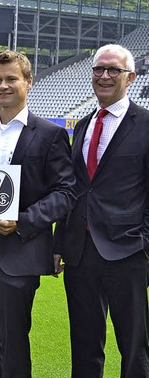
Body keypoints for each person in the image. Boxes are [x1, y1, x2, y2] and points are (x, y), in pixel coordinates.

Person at [0, 50, 75, 377]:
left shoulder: (50, 135)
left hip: (18, 252)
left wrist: (22, 221)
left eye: (11, 79)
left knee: (11, 345)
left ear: (28, 82)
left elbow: (66, 193)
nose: (3, 86)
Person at [54, 44, 149, 377]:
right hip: (80, 251)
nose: (104, 76)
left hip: (127, 250)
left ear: (131, 77)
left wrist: (144, 243)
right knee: (84, 342)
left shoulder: (146, 124)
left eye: (114, 70)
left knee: (134, 344)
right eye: (99, 69)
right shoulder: (82, 125)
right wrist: (60, 243)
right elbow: (74, 190)